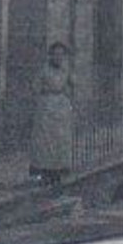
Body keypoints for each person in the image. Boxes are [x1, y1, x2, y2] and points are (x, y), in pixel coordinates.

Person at [29, 41, 76, 188]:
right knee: (45, 141)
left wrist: (68, 95)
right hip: (46, 107)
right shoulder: (44, 71)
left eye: (61, 55)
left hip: (61, 107)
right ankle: (45, 172)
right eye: (55, 54)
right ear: (50, 56)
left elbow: (73, 83)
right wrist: (44, 95)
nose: (58, 58)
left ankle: (58, 171)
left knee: (60, 140)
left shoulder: (65, 71)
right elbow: (35, 86)